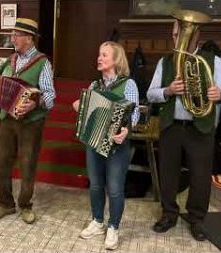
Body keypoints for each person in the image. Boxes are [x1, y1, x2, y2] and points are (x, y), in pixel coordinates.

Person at [146, 11, 221, 241]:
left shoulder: (213, 61)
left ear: (197, 34)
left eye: (182, 33)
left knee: (200, 176)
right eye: (175, 34)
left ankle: (197, 219)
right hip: (172, 126)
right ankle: (169, 214)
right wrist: (168, 91)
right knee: (168, 173)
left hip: (200, 127)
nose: (177, 38)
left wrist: (218, 95)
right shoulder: (165, 62)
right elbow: (150, 94)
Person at [0, 18, 55, 224]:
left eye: (16, 35)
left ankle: (25, 205)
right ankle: (5, 204)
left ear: (29, 38)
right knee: (2, 163)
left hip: (31, 122)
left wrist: (35, 104)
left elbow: (50, 95)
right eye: (13, 34)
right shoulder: (10, 61)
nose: (12, 38)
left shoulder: (43, 62)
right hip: (7, 119)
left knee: (27, 164)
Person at [72, 41, 139, 250]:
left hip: (117, 146)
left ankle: (113, 227)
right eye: (99, 54)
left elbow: (134, 114)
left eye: (104, 55)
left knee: (116, 188)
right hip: (94, 143)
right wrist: (79, 106)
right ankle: (98, 221)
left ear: (116, 59)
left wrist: (126, 130)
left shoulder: (128, 84)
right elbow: (84, 109)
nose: (99, 58)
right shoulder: (95, 85)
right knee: (95, 185)